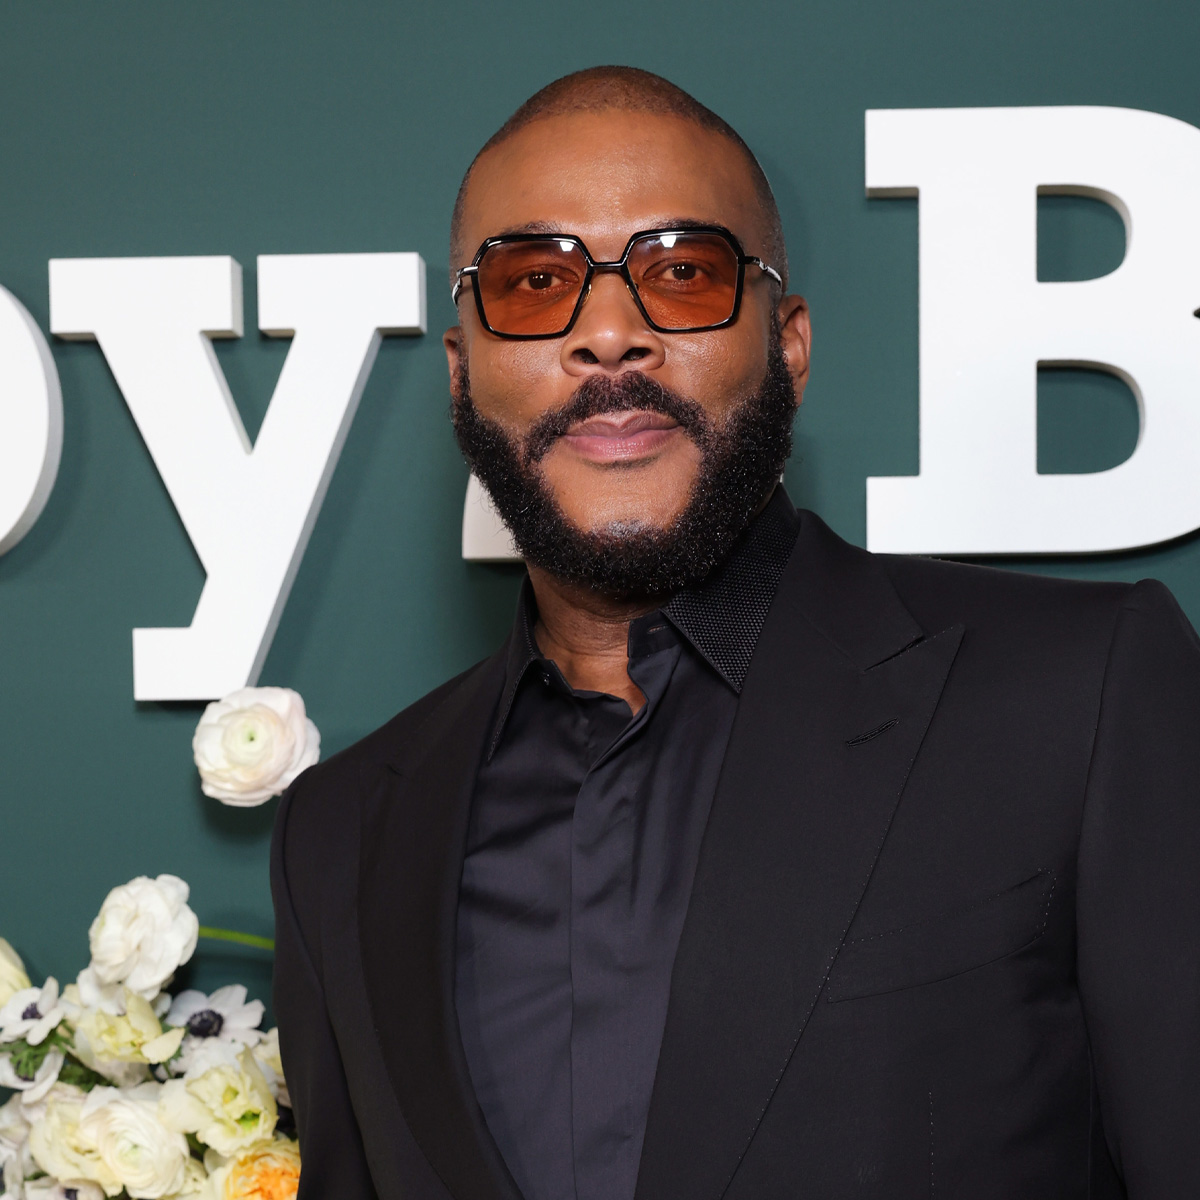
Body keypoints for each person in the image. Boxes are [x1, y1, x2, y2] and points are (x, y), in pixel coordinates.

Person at [271, 67, 1200, 1200]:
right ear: (463, 372)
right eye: (534, 282)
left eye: (682, 272)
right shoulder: (342, 835)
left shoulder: (1078, 697)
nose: (608, 335)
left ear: (790, 345)